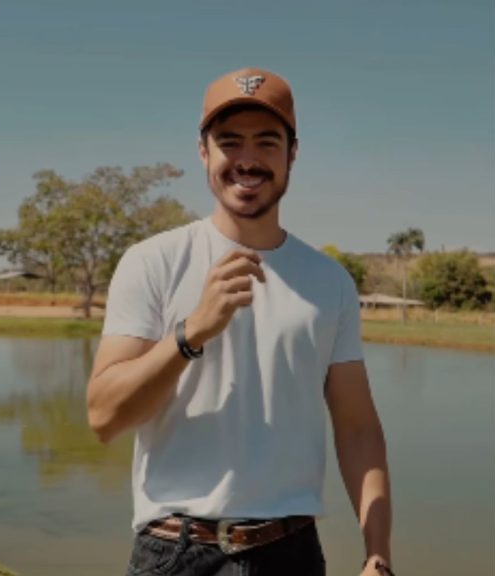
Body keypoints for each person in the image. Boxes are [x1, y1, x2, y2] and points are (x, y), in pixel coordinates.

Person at [87, 68, 394, 576]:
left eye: (267, 142)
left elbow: (358, 429)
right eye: (229, 142)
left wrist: (378, 553)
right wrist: (191, 333)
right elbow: (104, 418)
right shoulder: (152, 262)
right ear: (203, 152)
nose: (247, 160)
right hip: (176, 554)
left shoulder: (330, 282)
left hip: (292, 554)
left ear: (292, 153)